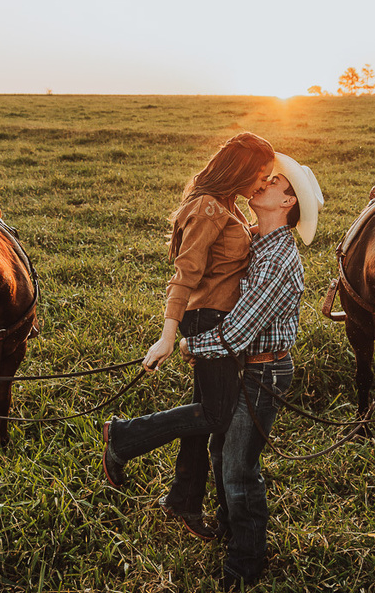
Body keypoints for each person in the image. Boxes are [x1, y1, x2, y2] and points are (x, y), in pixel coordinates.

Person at [107, 152, 324, 590]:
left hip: (264, 373)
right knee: (222, 451)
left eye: (275, 183)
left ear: (287, 204)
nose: (262, 182)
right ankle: (228, 528)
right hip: (245, 367)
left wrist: (188, 344)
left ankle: (246, 564)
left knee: (240, 467)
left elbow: (238, 332)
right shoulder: (256, 240)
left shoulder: (280, 260)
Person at [101, 132, 276, 540]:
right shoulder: (207, 209)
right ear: (241, 169)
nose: (263, 183)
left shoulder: (226, 206)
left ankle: (184, 499)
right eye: (261, 175)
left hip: (221, 319)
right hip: (208, 319)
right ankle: (124, 436)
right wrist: (167, 336)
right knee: (216, 415)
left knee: (204, 417)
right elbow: (184, 277)